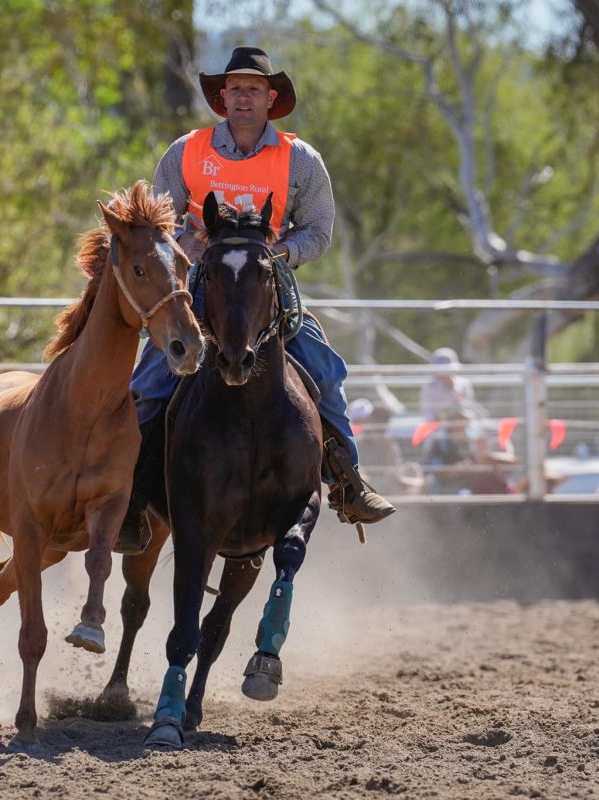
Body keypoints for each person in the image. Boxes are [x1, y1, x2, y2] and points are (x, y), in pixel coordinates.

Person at [117, 46, 393, 553]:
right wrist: (189, 244)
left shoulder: (300, 159)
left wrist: (281, 250)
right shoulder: (185, 152)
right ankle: (129, 497)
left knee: (325, 372)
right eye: (235, 89)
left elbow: (319, 230)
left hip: (270, 291)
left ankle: (348, 482)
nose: (244, 97)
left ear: (271, 98)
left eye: (254, 89)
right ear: (222, 98)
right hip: (200, 291)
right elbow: (161, 226)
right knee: (148, 382)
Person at [419, 347, 478, 422]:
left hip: (463, 426)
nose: (444, 374)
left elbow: (472, 411)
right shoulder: (429, 386)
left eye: (447, 370)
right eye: (441, 370)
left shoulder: (464, 383)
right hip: (439, 429)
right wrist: (445, 413)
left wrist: (462, 404)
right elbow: (428, 416)